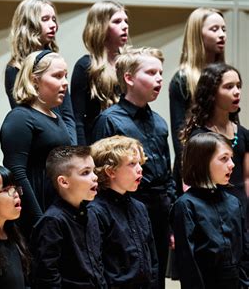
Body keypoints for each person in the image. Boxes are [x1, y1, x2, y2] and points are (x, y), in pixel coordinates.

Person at [90, 47, 175, 288]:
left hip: (158, 210)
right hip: (123, 209)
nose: (159, 78)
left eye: (160, 72)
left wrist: (170, 217)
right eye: (151, 72)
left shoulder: (159, 122)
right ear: (129, 78)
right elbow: (99, 170)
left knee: (155, 273)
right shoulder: (110, 120)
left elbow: (166, 172)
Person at [0, 50, 72, 238]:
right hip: (36, 216)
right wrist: (40, 220)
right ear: (34, 80)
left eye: (66, 76)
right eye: (57, 76)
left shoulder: (56, 117)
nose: (65, 82)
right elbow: (17, 173)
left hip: (57, 211)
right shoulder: (20, 118)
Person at [171, 132, 249, 289]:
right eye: (224, 158)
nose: (232, 164)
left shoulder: (234, 202)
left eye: (231, 157)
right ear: (203, 162)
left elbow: (244, 253)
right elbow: (188, 265)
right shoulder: (185, 206)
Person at [169, 7, 226, 195]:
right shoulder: (182, 79)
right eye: (214, 29)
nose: (222, 35)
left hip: (224, 164)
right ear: (197, 34)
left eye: (224, 29)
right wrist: (189, 174)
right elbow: (180, 134)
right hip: (195, 167)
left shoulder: (226, 77)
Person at [31, 146, 106, 288]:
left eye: (94, 171)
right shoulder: (52, 222)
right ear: (64, 182)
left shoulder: (92, 214)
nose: (95, 177)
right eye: (85, 172)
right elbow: (47, 277)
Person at [181, 63, 249, 220]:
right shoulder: (199, 136)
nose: (237, 92)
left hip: (240, 211)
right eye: (229, 86)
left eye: (238, 86)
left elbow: (246, 178)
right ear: (212, 92)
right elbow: (190, 181)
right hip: (211, 212)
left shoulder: (243, 134)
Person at [89, 135, 159, 288]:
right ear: (110, 171)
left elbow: (152, 257)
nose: (140, 169)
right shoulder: (95, 211)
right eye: (132, 164)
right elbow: (96, 266)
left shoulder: (140, 207)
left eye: (139, 163)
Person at [5, 0, 76, 144]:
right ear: (29, 25)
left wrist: (71, 148)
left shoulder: (56, 61)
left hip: (64, 147)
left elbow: (67, 114)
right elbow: (24, 117)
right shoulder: (15, 69)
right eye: (45, 19)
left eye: (54, 19)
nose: (53, 25)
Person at [71, 0, 129, 145]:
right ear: (101, 27)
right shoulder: (85, 66)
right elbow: (77, 118)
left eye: (126, 21)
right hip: (98, 144)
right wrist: (83, 154)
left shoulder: (129, 64)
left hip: (126, 142)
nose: (125, 26)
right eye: (117, 21)